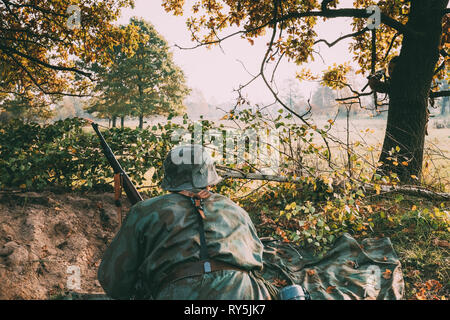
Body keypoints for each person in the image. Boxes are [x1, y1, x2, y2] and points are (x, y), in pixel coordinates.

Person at [97, 144, 274, 300]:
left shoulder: (144, 211)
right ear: (209, 177)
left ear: (170, 177)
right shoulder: (236, 210)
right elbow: (257, 263)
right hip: (244, 293)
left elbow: (114, 282)